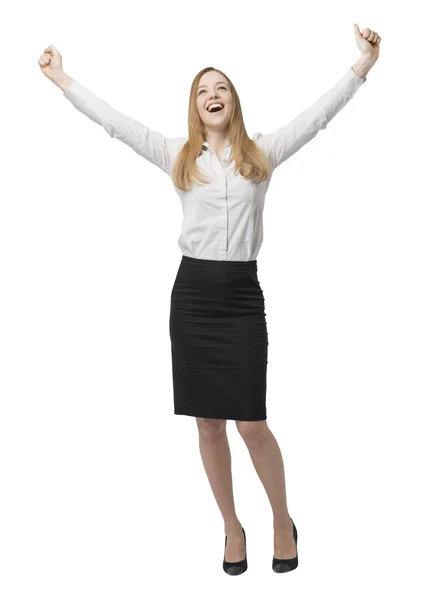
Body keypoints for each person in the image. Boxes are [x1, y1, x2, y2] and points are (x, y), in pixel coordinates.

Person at [38, 24, 381, 576]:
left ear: (234, 102)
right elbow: (116, 124)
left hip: (241, 298)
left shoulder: (261, 154)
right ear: (195, 107)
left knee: (251, 424)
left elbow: (317, 119)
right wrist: (60, 78)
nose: (213, 94)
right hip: (192, 299)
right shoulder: (177, 156)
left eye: (221, 87)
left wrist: (362, 65)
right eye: (203, 90)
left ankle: (280, 520)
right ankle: (230, 525)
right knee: (208, 425)